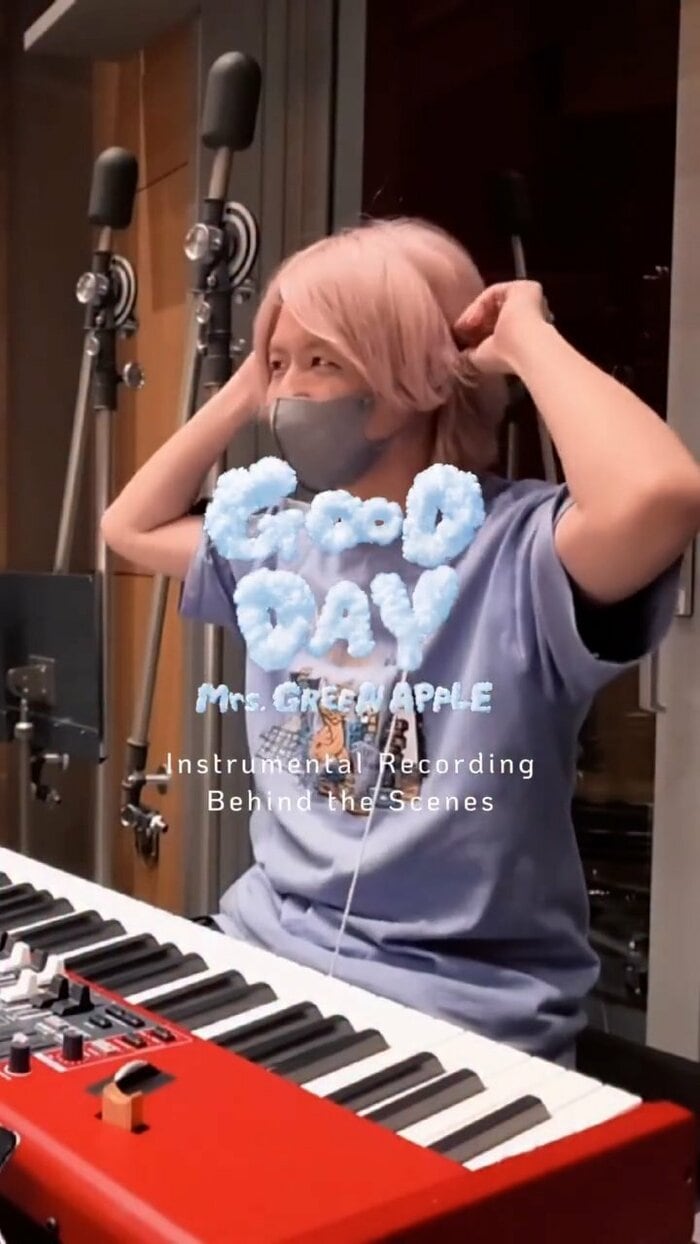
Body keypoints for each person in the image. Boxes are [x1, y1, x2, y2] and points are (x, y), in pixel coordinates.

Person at [101, 216, 700, 1067]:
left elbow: (661, 494)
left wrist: (527, 340)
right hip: (262, 960)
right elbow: (129, 524)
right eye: (283, 366)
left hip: (459, 1017)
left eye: (325, 362)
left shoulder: (523, 552)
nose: (291, 396)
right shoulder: (284, 542)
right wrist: (251, 378)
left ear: (411, 375)